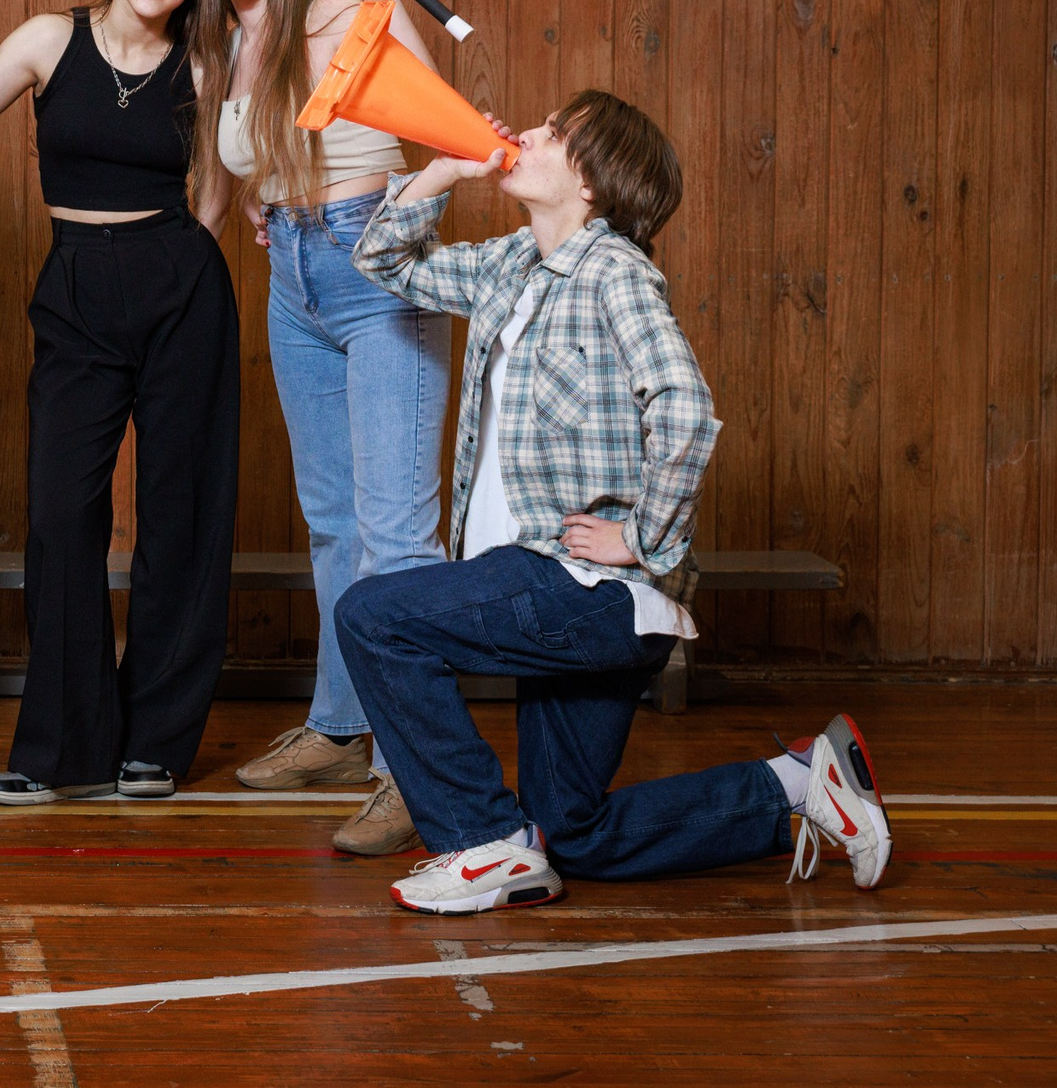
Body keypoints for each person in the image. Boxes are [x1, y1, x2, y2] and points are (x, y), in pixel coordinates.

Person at [336, 91, 888, 913]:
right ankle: (795, 785)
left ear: (594, 182)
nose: (528, 134)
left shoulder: (614, 273)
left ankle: (484, 844)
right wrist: (446, 168)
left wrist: (644, 539)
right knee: (578, 832)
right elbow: (383, 262)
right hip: (548, 596)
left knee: (373, 616)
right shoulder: (508, 266)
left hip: (584, 591)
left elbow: (686, 410)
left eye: (556, 135)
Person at [0, 0, 243, 806]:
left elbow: (221, 180)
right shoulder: (48, 40)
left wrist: (189, 254)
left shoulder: (205, 62)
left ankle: (158, 744)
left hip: (178, 282)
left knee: (181, 517)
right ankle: (63, 746)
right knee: (63, 515)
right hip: (76, 285)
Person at [193, 0, 451, 858]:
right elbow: (255, 156)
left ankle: (410, 767)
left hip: (372, 265)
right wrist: (266, 205)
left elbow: (433, 116)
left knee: (396, 536)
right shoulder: (231, 39)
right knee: (336, 525)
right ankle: (343, 728)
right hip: (294, 276)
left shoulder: (340, 11)